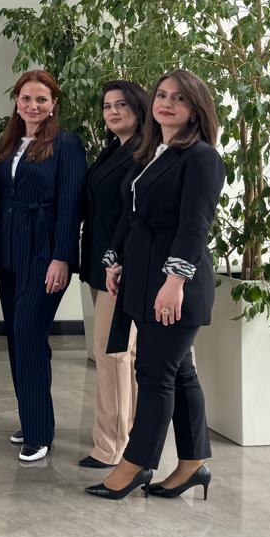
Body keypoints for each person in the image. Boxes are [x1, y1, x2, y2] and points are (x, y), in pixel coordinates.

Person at [86, 69, 225, 500]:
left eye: (178, 99)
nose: (166, 103)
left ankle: (136, 463)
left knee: (154, 372)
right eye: (161, 95)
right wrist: (115, 260)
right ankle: (193, 462)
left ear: (196, 109)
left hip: (174, 283)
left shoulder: (201, 157)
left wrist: (174, 282)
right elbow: (132, 215)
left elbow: (193, 225)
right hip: (142, 278)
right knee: (179, 372)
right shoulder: (156, 153)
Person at [0, 70, 86, 463]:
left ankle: (39, 432)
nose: (33, 106)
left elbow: (70, 205)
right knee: (18, 338)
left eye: (41, 99)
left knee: (28, 333)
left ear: (53, 103)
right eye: (26, 98)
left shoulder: (67, 143)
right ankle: (33, 418)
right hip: (10, 251)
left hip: (44, 253)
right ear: (16, 101)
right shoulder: (10, 143)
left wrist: (62, 256)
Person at [77, 80, 149, 469]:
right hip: (98, 266)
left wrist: (116, 262)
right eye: (107, 106)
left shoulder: (144, 154)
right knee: (120, 353)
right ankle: (129, 438)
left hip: (120, 269)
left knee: (113, 355)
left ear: (139, 108)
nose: (113, 112)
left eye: (122, 104)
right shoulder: (110, 153)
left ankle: (112, 447)